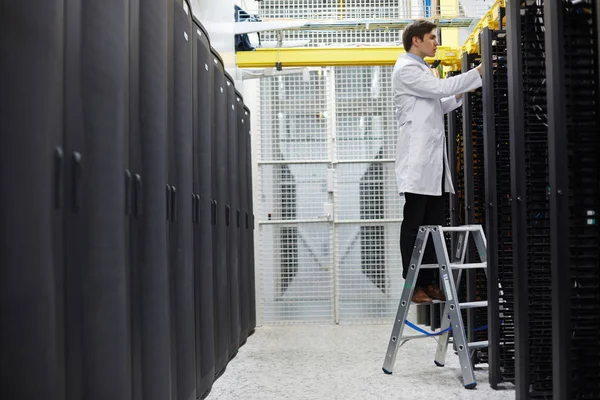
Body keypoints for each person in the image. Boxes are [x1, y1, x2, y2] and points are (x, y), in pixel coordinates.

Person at [393, 20, 483, 303]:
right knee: (414, 223)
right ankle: (414, 284)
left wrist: (462, 89)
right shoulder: (407, 68)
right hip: (417, 163)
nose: (436, 42)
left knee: (432, 225)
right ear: (416, 41)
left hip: (431, 164)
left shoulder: (420, 70)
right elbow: (438, 90)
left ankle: (430, 282)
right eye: (432, 38)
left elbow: (439, 103)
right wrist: (477, 72)